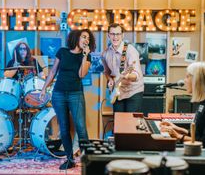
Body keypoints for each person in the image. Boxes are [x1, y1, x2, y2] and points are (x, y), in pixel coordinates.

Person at [160, 61, 205, 175]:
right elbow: (199, 134)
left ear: (198, 80)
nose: (184, 80)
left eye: (187, 76)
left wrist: (178, 136)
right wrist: (177, 128)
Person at [39, 29, 95, 169]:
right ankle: (70, 160)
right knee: (64, 129)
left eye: (88, 38)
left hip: (75, 94)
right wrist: (44, 88)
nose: (86, 40)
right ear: (76, 38)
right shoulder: (62, 52)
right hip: (59, 94)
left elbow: (81, 74)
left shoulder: (87, 57)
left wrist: (85, 56)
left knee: (81, 128)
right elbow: (53, 71)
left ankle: (87, 161)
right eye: (84, 37)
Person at [102, 23, 144, 113]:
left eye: (118, 34)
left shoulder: (130, 51)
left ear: (122, 35)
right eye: (112, 34)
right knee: (118, 122)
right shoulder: (106, 53)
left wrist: (127, 76)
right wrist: (110, 80)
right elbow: (106, 72)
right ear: (108, 35)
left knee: (131, 123)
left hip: (133, 92)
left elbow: (137, 76)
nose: (115, 37)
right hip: (117, 91)